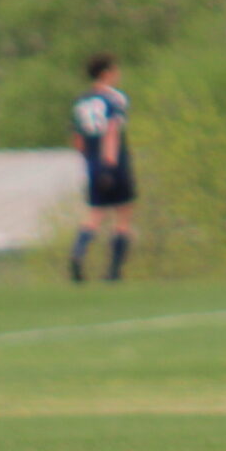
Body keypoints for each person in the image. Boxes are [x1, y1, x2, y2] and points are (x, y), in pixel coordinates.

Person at [68, 54, 135, 283]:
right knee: (123, 215)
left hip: (91, 162)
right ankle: (114, 271)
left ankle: (77, 253)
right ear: (106, 73)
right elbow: (112, 132)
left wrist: (90, 163)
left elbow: (77, 139)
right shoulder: (113, 101)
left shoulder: (81, 102)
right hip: (112, 162)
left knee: (94, 215)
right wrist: (110, 164)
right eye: (115, 71)